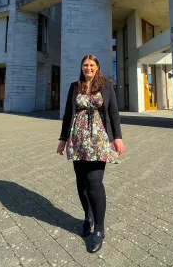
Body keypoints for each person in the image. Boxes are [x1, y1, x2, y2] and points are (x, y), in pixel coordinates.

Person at [57, 54, 125, 253]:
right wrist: (62, 139)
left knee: (94, 182)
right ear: (81, 67)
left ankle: (99, 229)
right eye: (85, 65)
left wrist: (118, 138)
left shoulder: (106, 85)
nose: (88, 68)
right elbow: (68, 114)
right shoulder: (74, 86)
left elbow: (113, 112)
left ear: (97, 67)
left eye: (92, 65)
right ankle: (87, 216)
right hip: (77, 139)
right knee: (81, 181)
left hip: (98, 139)